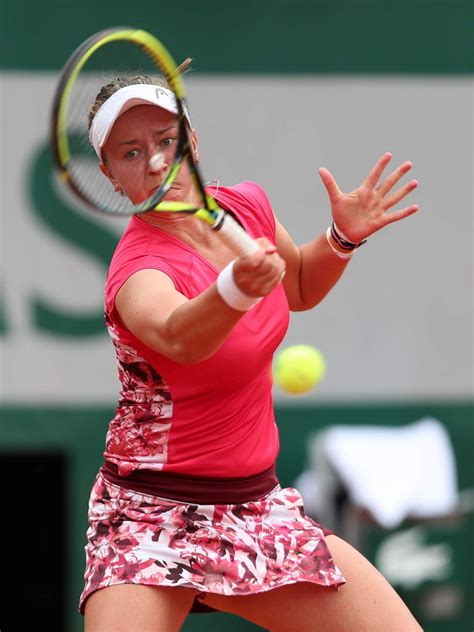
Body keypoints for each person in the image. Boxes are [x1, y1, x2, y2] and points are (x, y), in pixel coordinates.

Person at [81, 69, 423, 632]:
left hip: (255, 509)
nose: (157, 163)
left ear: (192, 140)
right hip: (147, 518)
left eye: (167, 142)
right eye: (131, 152)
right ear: (110, 176)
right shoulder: (137, 269)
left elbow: (301, 285)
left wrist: (341, 239)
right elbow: (179, 336)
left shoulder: (247, 206)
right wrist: (235, 288)